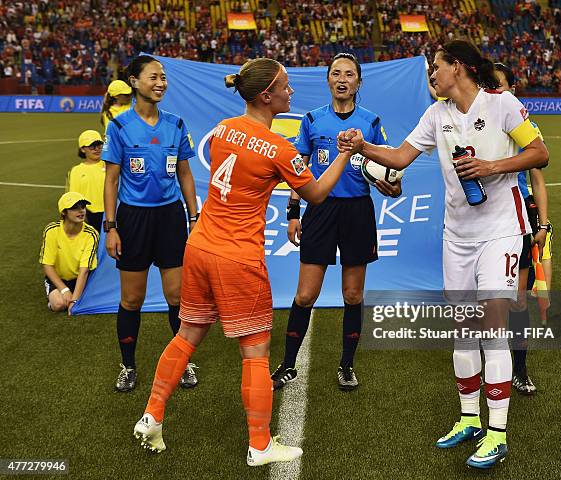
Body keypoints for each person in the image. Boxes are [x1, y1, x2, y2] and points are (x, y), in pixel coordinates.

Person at [133, 58, 358, 466]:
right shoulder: (279, 148)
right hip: (237, 256)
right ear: (265, 95)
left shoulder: (221, 130)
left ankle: (152, 415)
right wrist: (344, 153)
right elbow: (318, 193)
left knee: (186, 335)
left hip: (199, 247)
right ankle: (260, 444)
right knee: (255, 353)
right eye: (286, 86)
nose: (291, 92)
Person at [338, 40, 549, 469]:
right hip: (457, 235)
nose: (431, 74)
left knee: (492, 328)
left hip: (501, 231)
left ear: (459, 67)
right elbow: (398, 157)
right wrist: (361, 147)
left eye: (436, 66)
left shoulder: (503, 104)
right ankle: (469, 419)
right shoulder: (437, 114)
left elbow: (539, 154)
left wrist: (491, 167)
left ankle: (498, 432)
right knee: (463, 328)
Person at [271, 53, 400, 392]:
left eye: (350, 74)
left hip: (357, 212)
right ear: (328, 80)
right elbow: (300, 170)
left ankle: (346, 364)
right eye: (336, 73)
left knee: (353, 294)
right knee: (304, 295)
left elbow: (388, 168)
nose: (342, 79)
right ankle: (287, 364)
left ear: (359, 82)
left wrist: (393, 185)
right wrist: (293, 214)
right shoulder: (312, 120)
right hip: (321, 210)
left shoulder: (371, 122)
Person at [102, 55, 200, 393]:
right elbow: (111, 181)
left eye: (163, 77)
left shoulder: (175, 124)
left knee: (177, 296)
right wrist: (111, 226)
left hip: (170, 216)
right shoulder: (118, 126)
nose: (161, 83)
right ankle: (128, 365)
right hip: (133, 219)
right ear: (134, 81)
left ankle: (182, 361)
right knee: (132, 299)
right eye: (153, 77)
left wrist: (194, 215)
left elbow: (186, 173)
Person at [494, 63, 553, 395]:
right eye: (490, 85)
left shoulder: (526, 128)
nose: (495, 91)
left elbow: (537, 180)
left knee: (518, 300)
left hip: (519, 217)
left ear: (512, 90)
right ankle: (490, 363)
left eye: (500, 86)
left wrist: (542, 223)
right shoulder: (476, 123)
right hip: (486, 219)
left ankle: (519, 369)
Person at [40, 192, 99, 316]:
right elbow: (47, 265)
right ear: (64, 212)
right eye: (75, 208)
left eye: (83, 206)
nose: (81, 211)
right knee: (59, 304)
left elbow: (85, 270)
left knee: (83, 303)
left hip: (82, 279)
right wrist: (65, 289)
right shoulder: (51, 230)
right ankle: (52, 299)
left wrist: (75, 301)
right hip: (58, 278)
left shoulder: (91, 234)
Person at [66, 130, 106, 233]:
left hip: (111, 213)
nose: (97, 149)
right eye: (92, 146)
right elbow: (73, 197)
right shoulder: (76, 171)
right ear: (83, 149)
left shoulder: (110, 165)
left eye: (99, 145)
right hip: (89, 215)